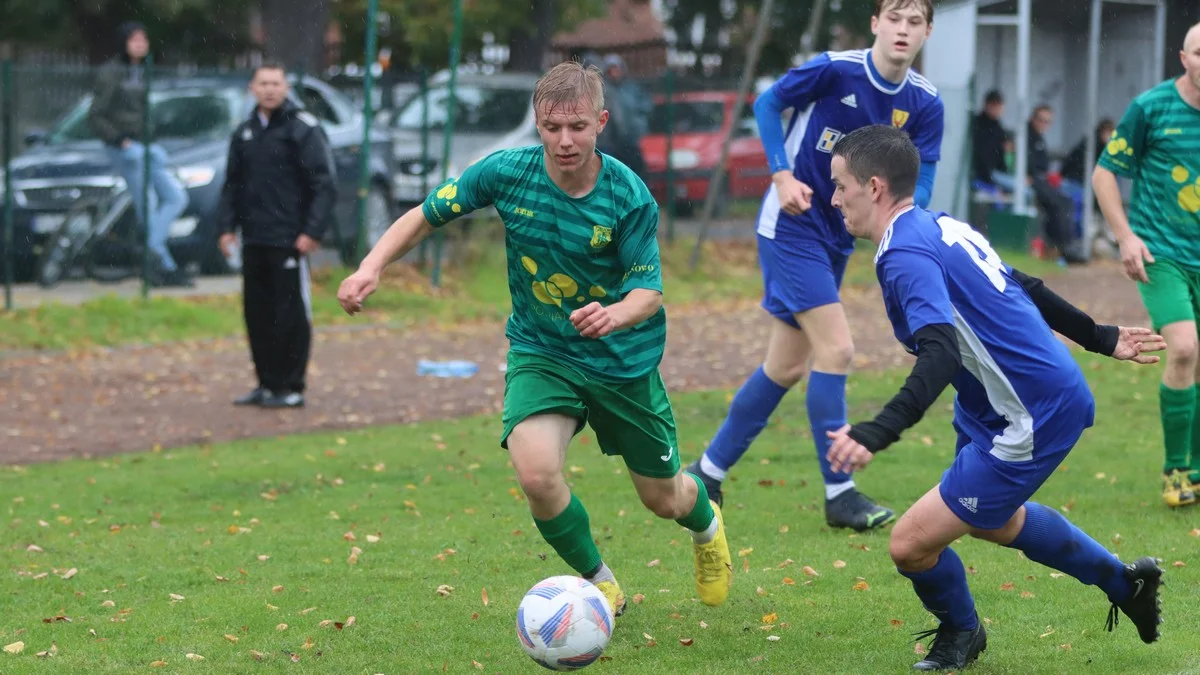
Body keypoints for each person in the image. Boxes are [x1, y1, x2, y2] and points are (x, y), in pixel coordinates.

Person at [336, 61, 734, 617]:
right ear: (537, 124)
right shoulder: (507, 172)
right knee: (536, 473)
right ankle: (602, 584)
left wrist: (614, 315)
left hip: (621, 359)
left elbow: (650, 293)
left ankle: (707, 526)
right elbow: (424, 215)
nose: (564, 141)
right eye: (551, 128)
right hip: (542, 351)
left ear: (601, 122)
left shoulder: (629, 195)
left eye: (577, 127)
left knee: (663, 498)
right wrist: (371, 266)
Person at [825, 124, 1165, 671]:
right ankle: (1126, 586)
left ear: (874, 186)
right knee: (988, 520)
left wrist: (877, 430)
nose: (833, 197)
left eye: (840, 185)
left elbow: (938, 354)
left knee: (910, 545)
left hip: (1029, 413)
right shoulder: (937, 226)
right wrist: (1098, 336)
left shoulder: (906, 254)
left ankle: (963, 633)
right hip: (998, 401)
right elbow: (1023, 285)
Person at [686, 0, 945, 532]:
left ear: (927, 32)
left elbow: (923, 176)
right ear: (875, 23)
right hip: (791, 225)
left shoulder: (923, 102)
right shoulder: (835, 68)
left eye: (914, 21)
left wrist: (901, 227)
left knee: (784, 366)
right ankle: (840, 491)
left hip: (838, 236)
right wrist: (781, 175)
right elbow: (765, 103)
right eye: (893, 18)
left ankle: (707, 472)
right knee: (838, 349)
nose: (902, 30)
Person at [1093, 21, 1200, 508]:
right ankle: (1176, 471)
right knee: (1183, 349)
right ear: (1183, 57)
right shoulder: (1151, 108)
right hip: (1163, 255)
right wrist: (1126, 237)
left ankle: (1195, 471)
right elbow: (1104, 174)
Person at [217, 62, 337, 409]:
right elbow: (232, 185)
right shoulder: (244, 132)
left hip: (289, 238)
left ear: (285, 88)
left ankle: (291, 385)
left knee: (289, 313)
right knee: (257, 312)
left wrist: (311, 231)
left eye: (276, 83)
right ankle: (266, 383)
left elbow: (323, 185)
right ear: (252, 89)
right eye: (263, 83)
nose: (270, 89)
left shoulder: (302, 129)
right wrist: (226, 227)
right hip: (254, 238)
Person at [88, 21, 192, 287]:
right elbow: (96, 115)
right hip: (124, 147)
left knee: (175, 197)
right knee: (148, 204)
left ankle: (152, 250)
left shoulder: (142, 71)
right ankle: (164, 266)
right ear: (124, 42)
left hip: (144, 144)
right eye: (134, 40)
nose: (140, 45)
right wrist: (118, 138)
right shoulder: (112, 73)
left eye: (143, 40)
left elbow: (143, 112)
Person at [1027, 105, 1086, 264]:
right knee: (1059, 204)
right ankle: (1062, 247)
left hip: (1042, 181)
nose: (1043, 124)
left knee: (1067, 200)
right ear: (1033, 119)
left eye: (1047, 121)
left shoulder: (1039, 138)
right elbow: (1025, 165)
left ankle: (1066, 246)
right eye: (1041, 120)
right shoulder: (1026, 136)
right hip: (1031, 182)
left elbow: (1042, 167)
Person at [972, 89, 1009, 185]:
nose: (996, 109)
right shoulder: (978, 125)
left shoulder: (999, 128)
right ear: (986, 105)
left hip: (996, 173)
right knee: (1024, 193)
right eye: (993, 105)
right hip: (984, 175)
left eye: (998, 106)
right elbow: (982, 157)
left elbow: (1001, 156)